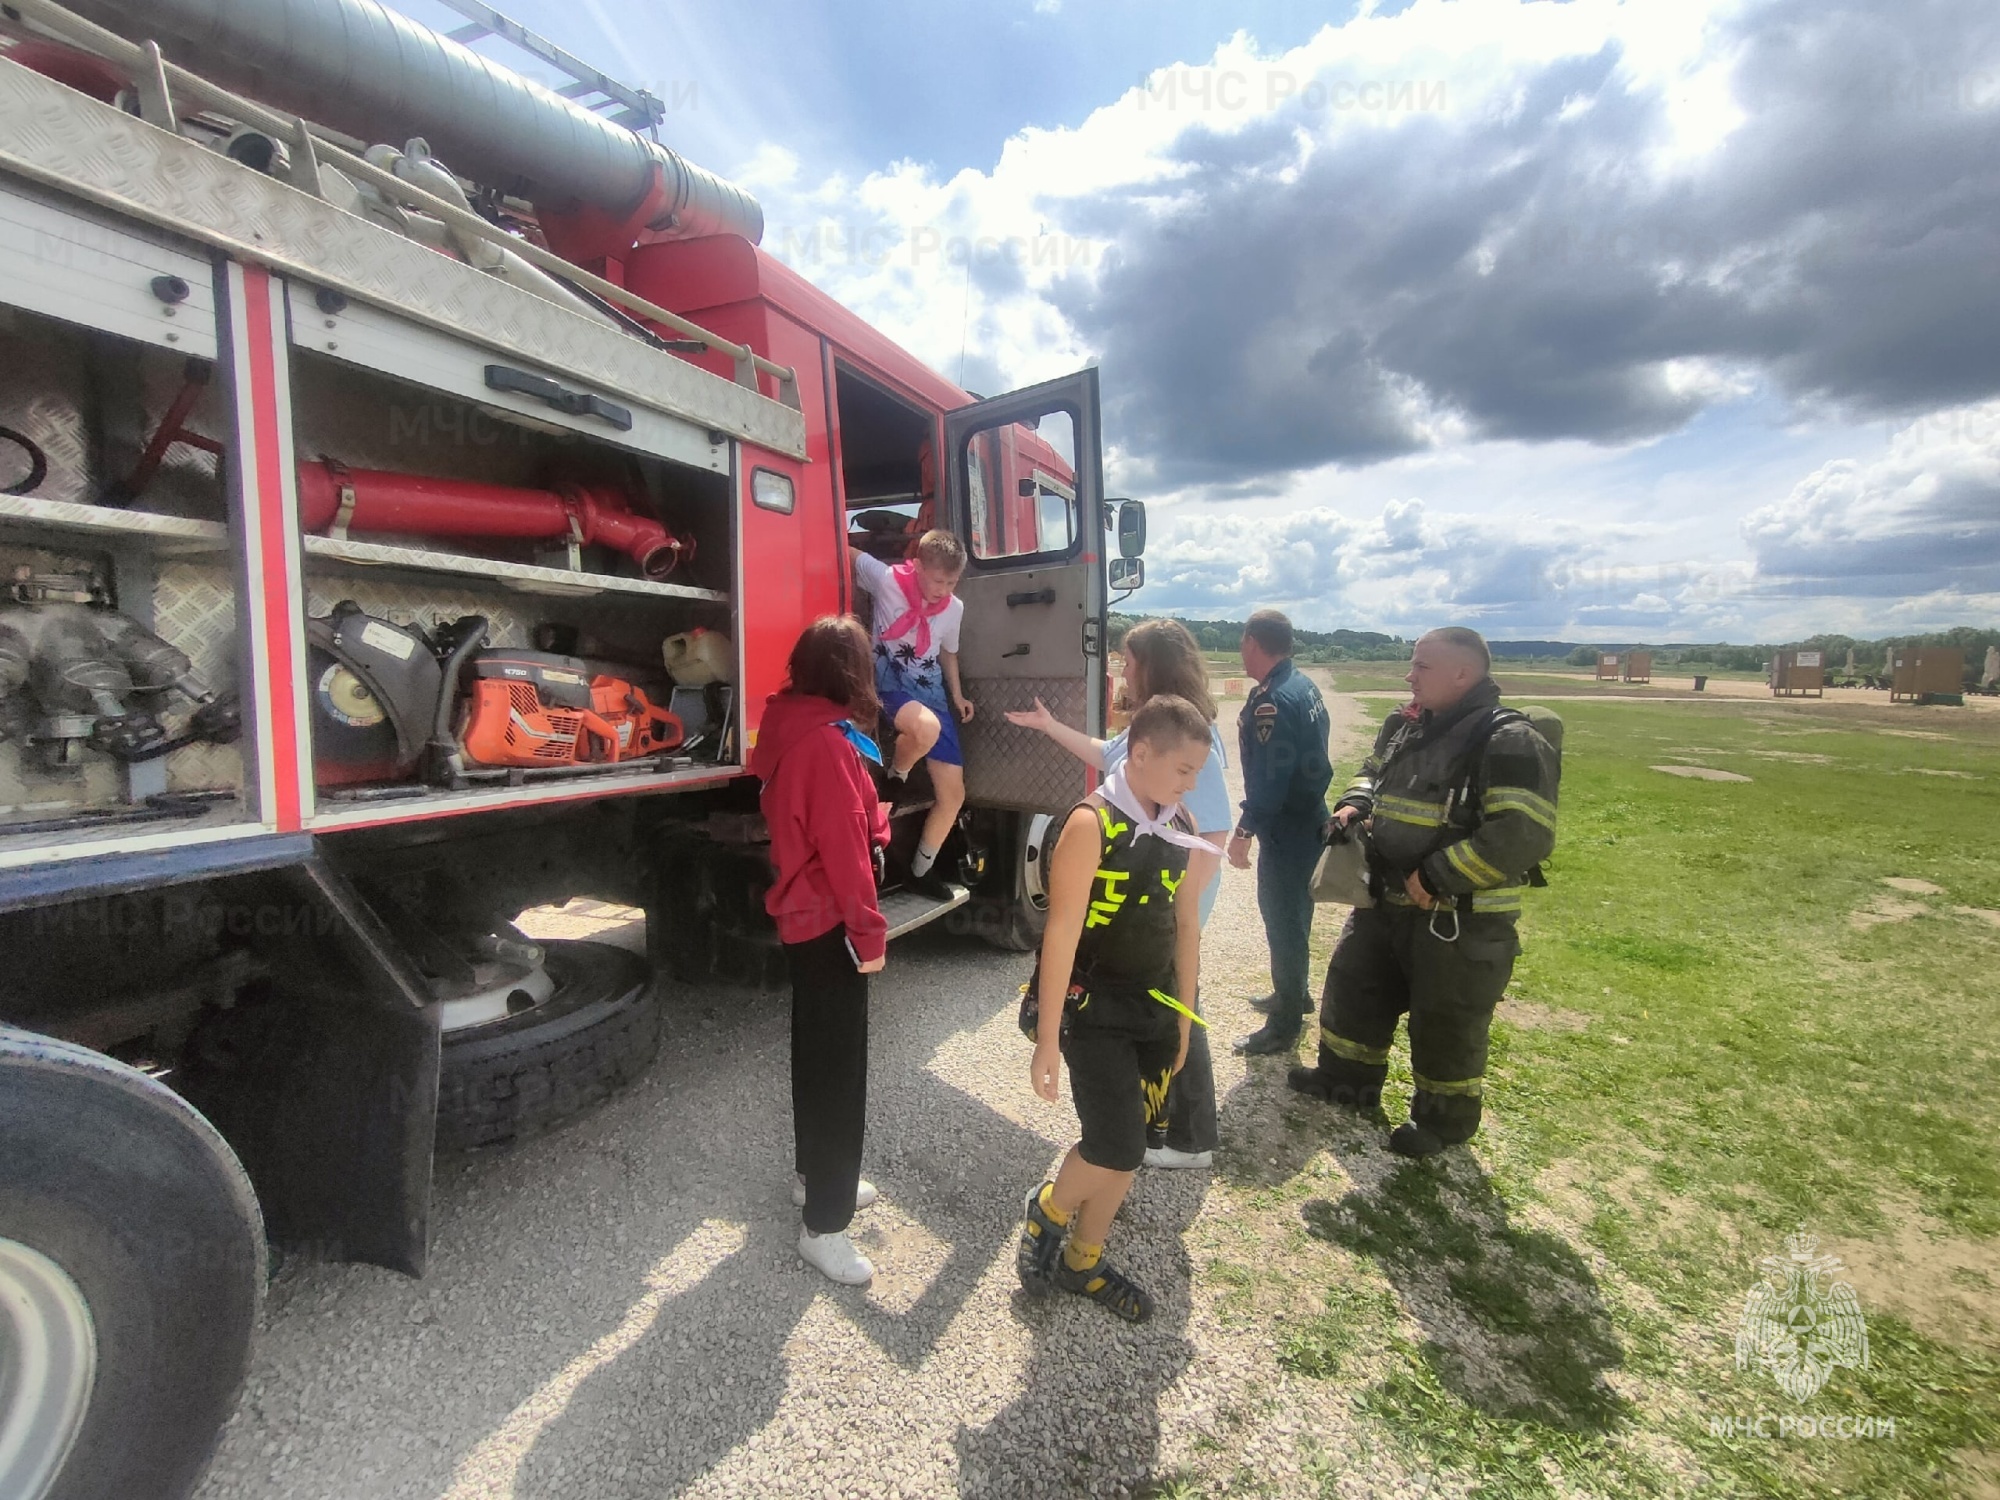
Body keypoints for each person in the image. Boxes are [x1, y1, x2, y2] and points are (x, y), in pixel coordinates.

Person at [1287, 627, 1560, 1157]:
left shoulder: (1508, 740)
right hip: (1385, 903)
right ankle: (1348, 1082)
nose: (1409, 676)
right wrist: (1354, 804)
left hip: (1456, 916)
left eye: (1422, 667)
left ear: (1464, 674)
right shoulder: (1406, 725)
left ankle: (1442, 1124)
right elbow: (1374, 773)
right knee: (1355, 987)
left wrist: (1438, 876)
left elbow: (1522, 834)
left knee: (1447, 1020)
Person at [1014, 695, 1211, 1321]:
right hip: (1093, 1009)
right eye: (1183, 771)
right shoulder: (1090, 825)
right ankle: (1048, 1209)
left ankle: (1083, 1260)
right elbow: (1062, 936)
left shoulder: (1178, 826)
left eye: (1197, 774)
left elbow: (1185, 927)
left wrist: (1183, 1021)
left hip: (1153, 1010)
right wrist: (1048, 1039)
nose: (1191, 785)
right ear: (1142, 753)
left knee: (1136, 1144)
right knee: (1113, 1144)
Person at [1005, 617, 1228, 1168]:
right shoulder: (1150, 729)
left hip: (1167, 893)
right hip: (1143, 895)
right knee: (1155, 1010)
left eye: (1128, 660)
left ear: (1153, 663)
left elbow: (1211, 826)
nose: (1121, 669)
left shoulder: (1188, 735)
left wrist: (1178, 901)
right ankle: (1139, 1132)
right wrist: (1050, 725)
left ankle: (1190, 1135)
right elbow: (1108, 754)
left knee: (1178, 1008)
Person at [749, 616, 893, 1284]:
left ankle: (815, 1181)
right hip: (832, 922)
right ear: (851, 671)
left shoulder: (793, 726)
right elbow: (846, 853)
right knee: (841, 1077)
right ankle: (825, 1227)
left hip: (803, 919)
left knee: (815, 1055)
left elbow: (854, 813)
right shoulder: (830, 743)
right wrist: (869, 933)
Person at [1229, 609, 1333, 1056]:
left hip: (1286, 828)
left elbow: (1270, 778)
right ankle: (1297, 992)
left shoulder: (1271, 700)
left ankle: (1285, 1020)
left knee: (1282, 920)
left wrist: (1244, 830)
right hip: (1309, 816)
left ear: (1253, 641)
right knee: (1297, 915)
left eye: (1242, 642)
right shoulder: (1302, 684)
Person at [850, 530, 973, 900]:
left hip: (930, 690)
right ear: (917, 566)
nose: (944, 589)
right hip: (887, 684)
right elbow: (845, 547)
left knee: (953, 795)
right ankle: (896, 778)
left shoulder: (954, 608)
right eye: (938, 580)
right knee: (924, 728)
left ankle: (921, 870)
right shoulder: (886, 580)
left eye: (952, 582)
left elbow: (947, 652)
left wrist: (957, 694)